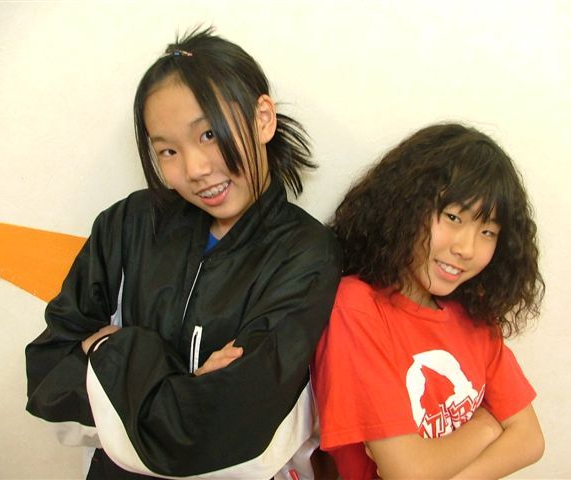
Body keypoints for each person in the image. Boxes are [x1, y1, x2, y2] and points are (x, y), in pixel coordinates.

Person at [25, 26, 342, 480]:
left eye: (209, 133)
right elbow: (47, 376)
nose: (194, 168)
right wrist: (182, 382)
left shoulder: (307, 253)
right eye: (168, 151)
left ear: (263, 119)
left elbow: (229, 430)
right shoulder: (128, 224)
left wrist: (109, 349)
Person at [312, 123, 545, 479]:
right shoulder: (356, 308)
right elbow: (409, 471)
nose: (466, 248)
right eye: (453, 217)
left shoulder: (473, 315)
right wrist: (487, 424)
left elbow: (530, 441)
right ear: (406, 207)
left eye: (487, 232)